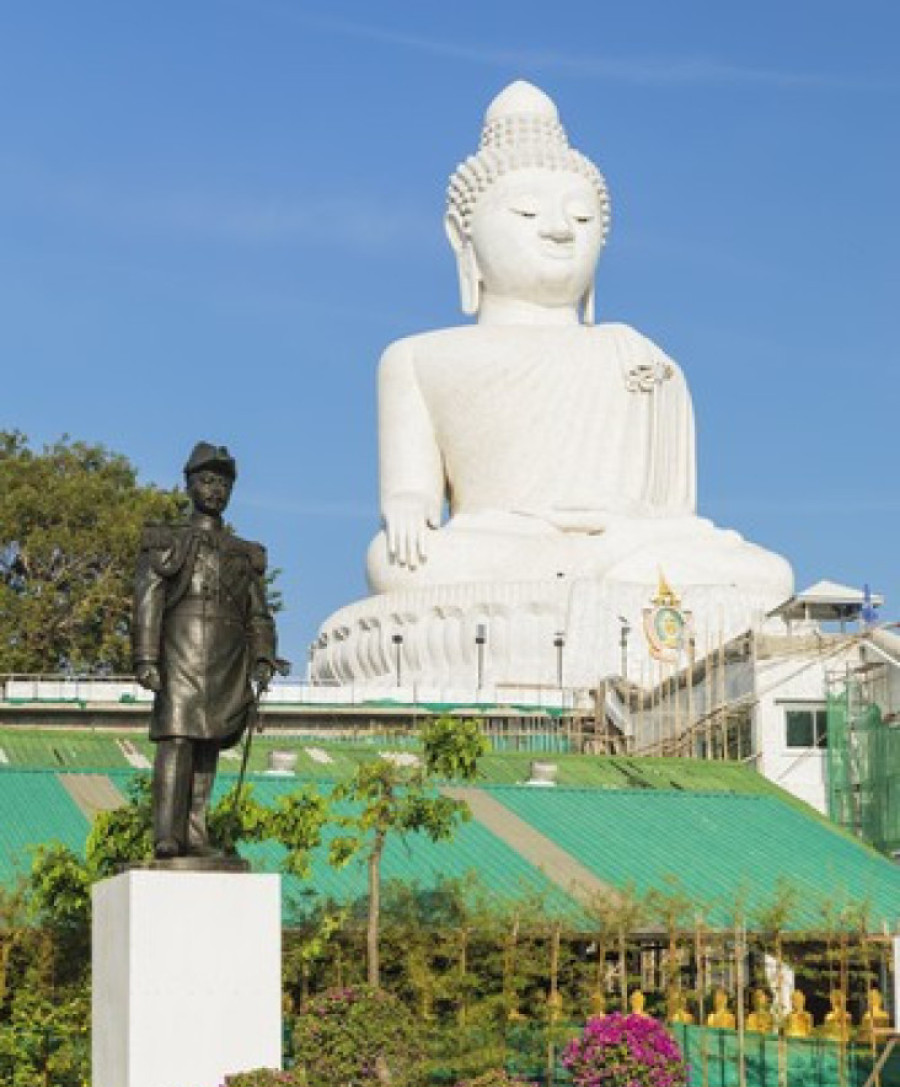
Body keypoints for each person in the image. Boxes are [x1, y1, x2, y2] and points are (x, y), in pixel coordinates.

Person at [365, 80, 793, 610]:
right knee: (395, 560)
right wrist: (408, 504)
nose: (560, 230)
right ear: (461, 233)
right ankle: (600, 579)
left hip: (633, 543)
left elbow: (673, 514)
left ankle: (592, 577)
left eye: (582, 218)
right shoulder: (416, 357)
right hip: (503, 545)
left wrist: (628, 532)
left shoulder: (641, 356)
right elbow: (413, 493)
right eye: (527, 212)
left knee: (770, 574)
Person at [133, 442, 278, 862]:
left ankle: (196, 834)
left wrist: (262, 655)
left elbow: (258, 614)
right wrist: (146, 657)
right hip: (179, 651)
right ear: (189, 484)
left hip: (226, 658)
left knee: (208, 742)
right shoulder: (166, 542)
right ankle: (167, 834)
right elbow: (148, 602)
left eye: (223, 484)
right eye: (207, 480)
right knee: (177, 738)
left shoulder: (244, 554)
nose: (215, 490)